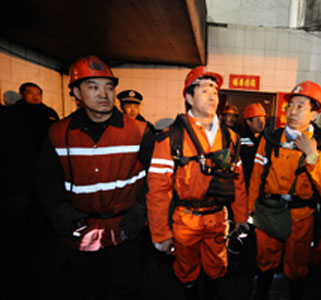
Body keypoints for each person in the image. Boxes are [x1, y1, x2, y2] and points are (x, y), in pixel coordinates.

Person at [36, 55, 154, 300]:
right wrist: (60, 211)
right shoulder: (58, 133)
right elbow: (46, 178)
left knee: (129, 289)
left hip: (125, 231)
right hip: (81, 231)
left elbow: (153, 176)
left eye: (109, 87)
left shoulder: (139, 131)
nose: (104, 94)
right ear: (77, 93)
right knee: (86, 288)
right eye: (93, 87)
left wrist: (141, 211)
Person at [146, 66, 248, 300]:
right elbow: (158, 190)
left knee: (217, 269)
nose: (212, 95)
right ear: (189, 97)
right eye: (204, 90)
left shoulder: (230, 137)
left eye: (214, 90)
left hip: (218, 218)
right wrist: (160, 234)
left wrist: (241, 217)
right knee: (186, 271)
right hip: (185, 219)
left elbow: (238, 181)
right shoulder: (171, 137)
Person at [248, 81, 321, 300]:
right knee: (265, 260)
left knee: (297, 265)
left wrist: (312, 156)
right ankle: (261, 295)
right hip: (269, 212)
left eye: (300, 106)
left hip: (301, 217)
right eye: (290, 106)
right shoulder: (271, 139)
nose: (291, 111)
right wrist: (250, 210)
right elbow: (256, 177)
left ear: (314, 113)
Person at [0, 82, 60, 299]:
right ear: (22, 95)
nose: (35, 97)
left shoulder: (49, 114)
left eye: (38, 94)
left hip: (41, 170)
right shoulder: (12, 115)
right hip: (19, 177)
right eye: (31, 94)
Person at [239, 103, 266, 189]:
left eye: (263, 118)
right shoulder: (238, 138)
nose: (261, 122)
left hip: (261, 185)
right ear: (248, 122)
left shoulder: (268, 138)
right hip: (243, 184)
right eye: (257, 119)